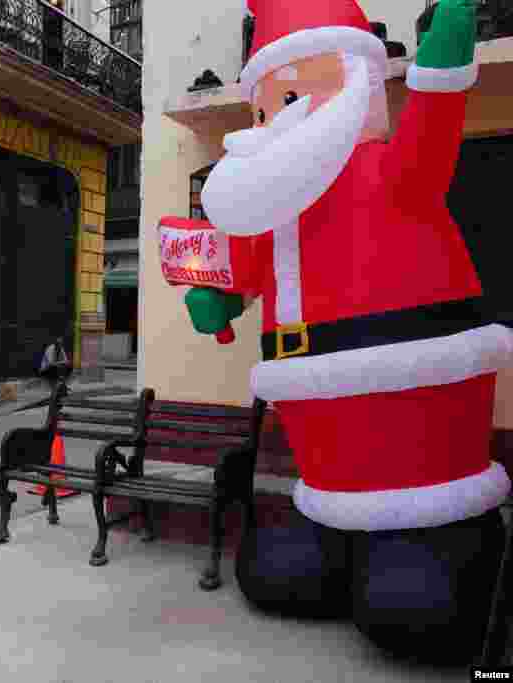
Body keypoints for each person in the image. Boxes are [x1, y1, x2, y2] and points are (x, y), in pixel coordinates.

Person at [182, 0, 511, 663]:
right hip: (324, 459)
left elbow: (432, 137)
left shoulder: (390, 173)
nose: (271, 123)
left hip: (425, 445)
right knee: (281, 570)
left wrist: (443, 67)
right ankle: (335, 535)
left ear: (357, 84)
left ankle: (441, 541)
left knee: (416, 602)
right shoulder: (277, 209)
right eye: (264, 109)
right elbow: (241, 275)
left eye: (293, 96)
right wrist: (218, 304)